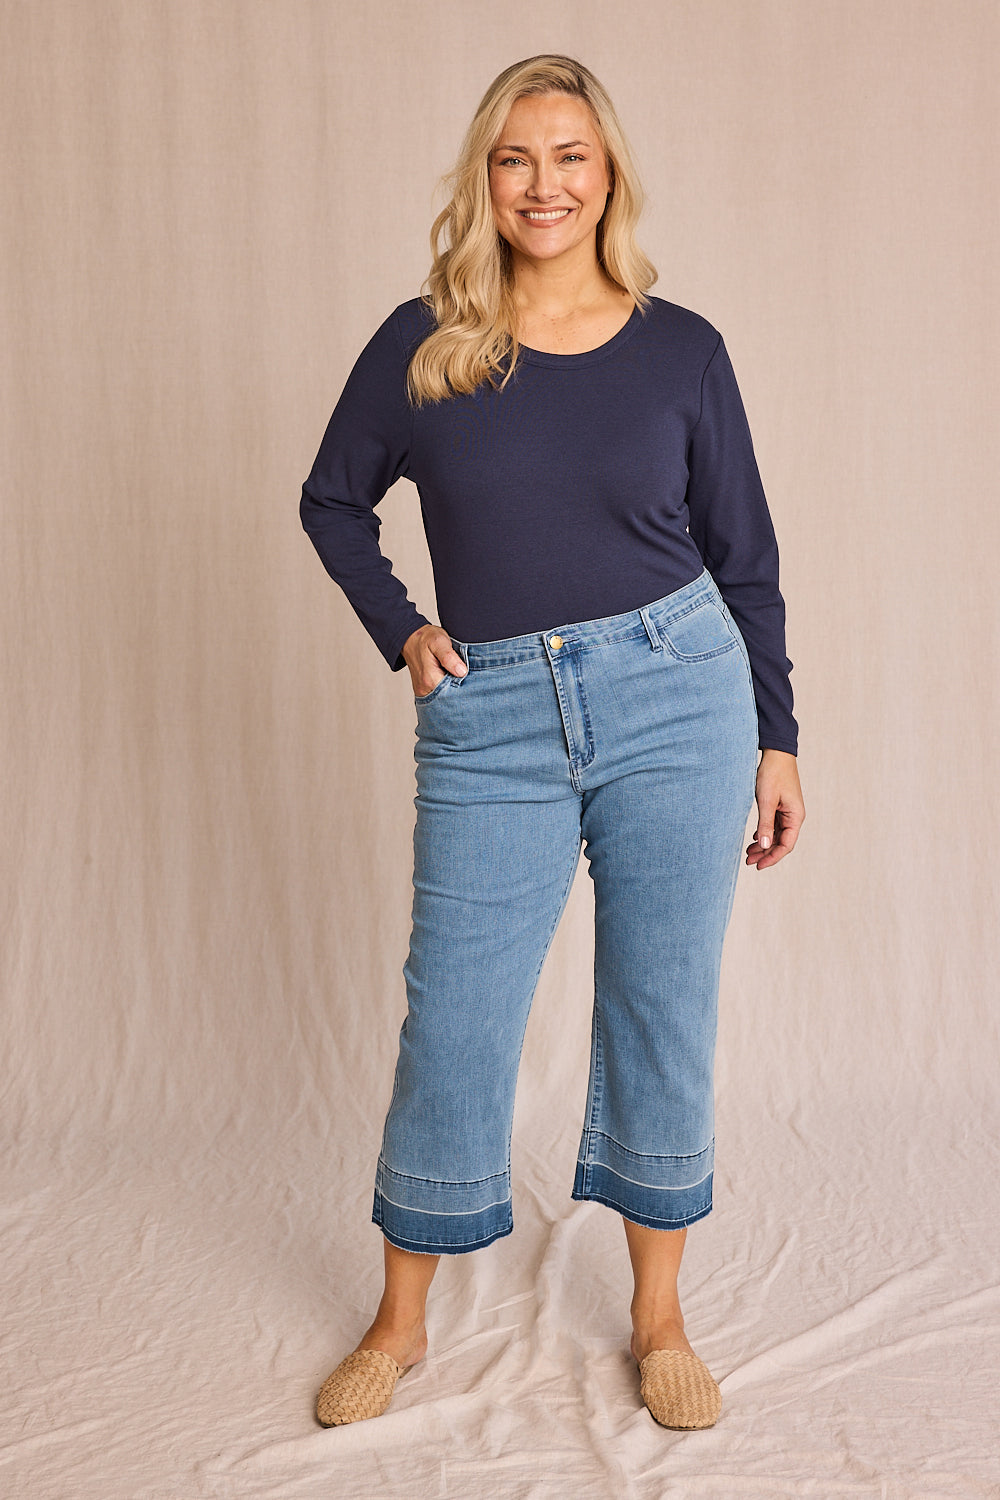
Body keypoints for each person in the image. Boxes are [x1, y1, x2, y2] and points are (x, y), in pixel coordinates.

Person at [299, 53, 804, 1433]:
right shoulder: (426, 343)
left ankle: (659, 1316)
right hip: (494, 717)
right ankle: (400, 1320)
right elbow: (333, 500)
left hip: (678, 693)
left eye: (570, 155)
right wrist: (404, 629)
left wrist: (778, 737)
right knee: (455, 1018)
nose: (544, 183)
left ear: (608, 174)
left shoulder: (683, 349)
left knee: (659, 1003)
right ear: (486, 178)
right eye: (516, 158)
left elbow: (744, 556)